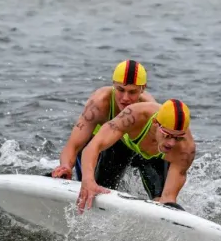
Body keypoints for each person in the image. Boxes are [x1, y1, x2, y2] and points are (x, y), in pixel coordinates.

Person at [51, 60, 166, 197]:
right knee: (97, 185)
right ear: (113, 85)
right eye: (120, 90)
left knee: (153, 157)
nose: (125, 98)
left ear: (143, 88)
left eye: (132, 92)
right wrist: (66, 166)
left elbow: (166, 151)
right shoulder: (99, 104)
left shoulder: (150, 109)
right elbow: (73, 146)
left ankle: (159, 201)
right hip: (98, 147)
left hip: (132, 148)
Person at [76, 98, 196, 213]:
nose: (172, 143)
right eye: (167, 135)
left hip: (154, 157)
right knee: (100, 189)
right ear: (155, 123)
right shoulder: (135, 115)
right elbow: (92, 147)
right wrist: (88, 180)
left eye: (178, 138)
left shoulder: (186, 149)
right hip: (121, 148)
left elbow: (169, 197)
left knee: (162, 202)